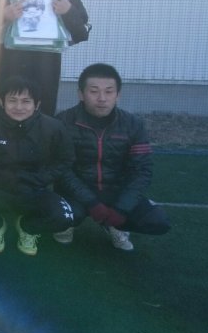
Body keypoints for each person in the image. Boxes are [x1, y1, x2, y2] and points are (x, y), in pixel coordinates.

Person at [55, 63, 170, 251]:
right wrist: (92, 202)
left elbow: (141, 171)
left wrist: (122, 208)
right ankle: (67, 224)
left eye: (109, 92)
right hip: (76, 193)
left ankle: (115, 226)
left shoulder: (133, 124)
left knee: (158, 221)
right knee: (55, 215)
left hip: (116, 192)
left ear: (118, 95)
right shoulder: (63, 122)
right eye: (94, 91)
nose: (102, 98)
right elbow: (61, 169)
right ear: (81, 94)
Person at [0, 76, 76, 257]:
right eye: (12, 100)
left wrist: (42, 178)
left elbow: (65, 159)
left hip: (35, 188)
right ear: (1, 102)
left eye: (26, 101)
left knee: (64, 217)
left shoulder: (54, 127)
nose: (19, 107)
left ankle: (27, 227)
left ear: (37, 104)